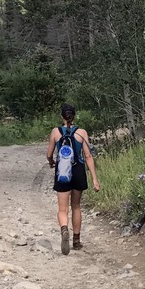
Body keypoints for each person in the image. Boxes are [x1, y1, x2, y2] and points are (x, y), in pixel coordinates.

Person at [46, 103, 99, 255]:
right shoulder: (81, 133)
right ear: (74, 116)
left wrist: (51, 163)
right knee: (76, 206)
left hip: (62, 172)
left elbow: (49, 154)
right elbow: (88, 156)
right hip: (77, 171)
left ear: (62, 116)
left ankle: (64, 230)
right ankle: (76, 241)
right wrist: (95, 179)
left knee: (62, 209)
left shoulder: (55, 132)